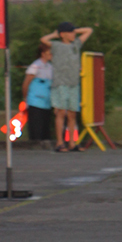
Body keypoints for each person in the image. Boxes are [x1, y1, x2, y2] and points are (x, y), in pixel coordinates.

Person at [40, 21, 93, 152]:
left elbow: (89, 30)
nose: (73, 34)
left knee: (72, 114)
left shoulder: (76, 44)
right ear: (63, 34)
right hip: (60, 83)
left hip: (73, 83)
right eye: (70, 32)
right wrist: (55, 34)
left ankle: (72, 143)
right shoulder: (57, 45)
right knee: (61, 112)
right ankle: (60, 142)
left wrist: (75, 30)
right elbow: (43, 39)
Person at [22, 44, 53, 143]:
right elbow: (26, 83)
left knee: (45, 127)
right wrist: (25, 98)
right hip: (35, 101)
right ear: (43, 54)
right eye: (49, 53)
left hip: (46, 102)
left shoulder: (50, 67)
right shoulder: (35, 66)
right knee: (36, 127)